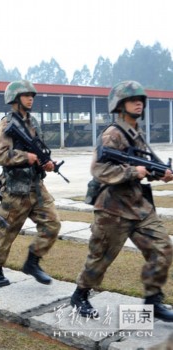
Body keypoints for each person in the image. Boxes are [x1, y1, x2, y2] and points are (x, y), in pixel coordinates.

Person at [70, 81, 173, 322]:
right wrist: (130, 172)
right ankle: (80, 295)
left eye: (141, 99)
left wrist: (164, 173)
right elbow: (98, 169)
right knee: (100, 258)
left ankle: (153, 299)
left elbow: (149, 164)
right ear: (119, 104)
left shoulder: (137, 133)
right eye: (132, 99)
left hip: (139, 207)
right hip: (112, 210)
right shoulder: (112, 134)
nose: (138, 102)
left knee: (163, 248)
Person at [0, 80, 60, 287]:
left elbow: (39, 151)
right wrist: (23, 157)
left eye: (32, 95)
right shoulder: (6, 124)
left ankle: (33, 261)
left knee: (52, 224)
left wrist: (46, 163)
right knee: (7, 232)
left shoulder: (33, 123)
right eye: (26, 95)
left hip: (37, 186)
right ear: (15, 99)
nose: (30, 98)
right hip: (15, 189)